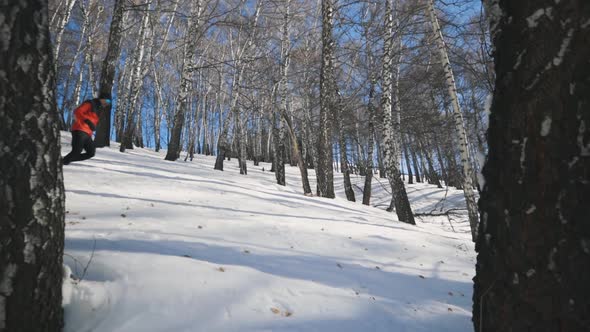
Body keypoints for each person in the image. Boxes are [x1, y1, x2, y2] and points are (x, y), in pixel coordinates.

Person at [63, 93, 112, 165]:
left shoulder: (99, 109)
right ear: (102, 98)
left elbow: (92, 119)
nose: (107, 104)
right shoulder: (91, 103)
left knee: (91, 152)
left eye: (109, 103)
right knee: (76, 151)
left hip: (88, 133)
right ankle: (61, 162)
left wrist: (93, 126)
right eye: (107, 101)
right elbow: (78, 111)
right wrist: (88, 121)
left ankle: (64, 160)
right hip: (80, 129)